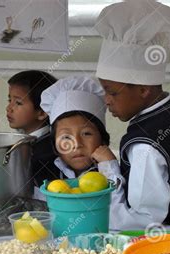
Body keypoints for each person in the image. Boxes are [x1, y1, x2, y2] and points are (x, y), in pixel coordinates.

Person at [95, 0, 170, 229]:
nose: (106, 100)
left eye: (112, 92)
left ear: (143, 90)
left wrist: (109, 170)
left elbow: (138, 222)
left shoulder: (144, 147)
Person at [38, 77, 123, 228]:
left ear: (102, 139)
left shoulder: (117, 172)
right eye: (65, 137)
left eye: (86, 134)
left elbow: (117, 219)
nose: (76, 145)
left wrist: (109, 168)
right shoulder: (42, 175)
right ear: (54, 144)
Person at [6, 70, 58, 187]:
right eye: (10, 100)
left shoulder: (47, 151)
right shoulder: (21, 142)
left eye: (18, 103)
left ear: (41, 112)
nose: (9, 108)